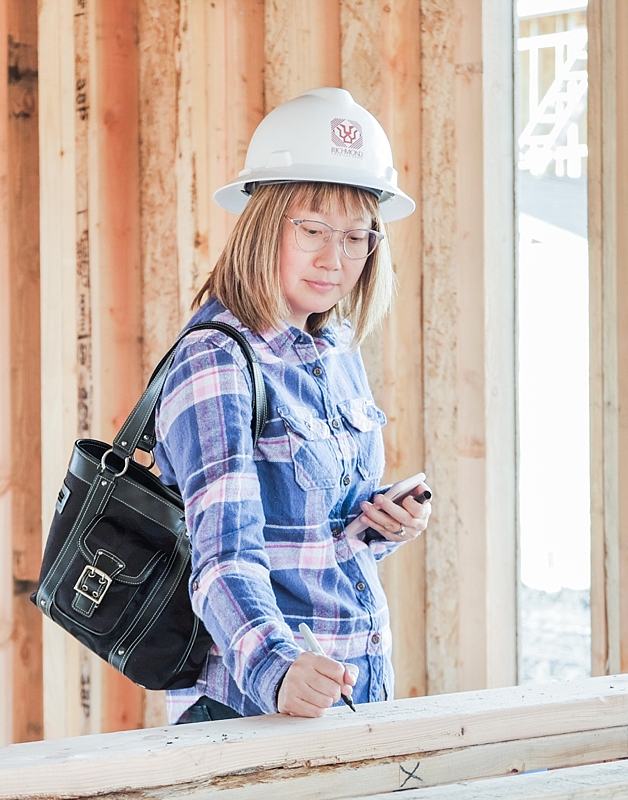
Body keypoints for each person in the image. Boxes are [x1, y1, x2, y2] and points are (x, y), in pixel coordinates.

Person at [153, 88, 431, 724]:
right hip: (250, 709)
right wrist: (276, 670)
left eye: (357, 237)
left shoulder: (335, 348)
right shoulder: (217, 359)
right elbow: (222, 559)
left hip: (351, 690)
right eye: (312, 230)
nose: (336, 260)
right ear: (263, 222)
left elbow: (307, 534)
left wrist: (378, 522)